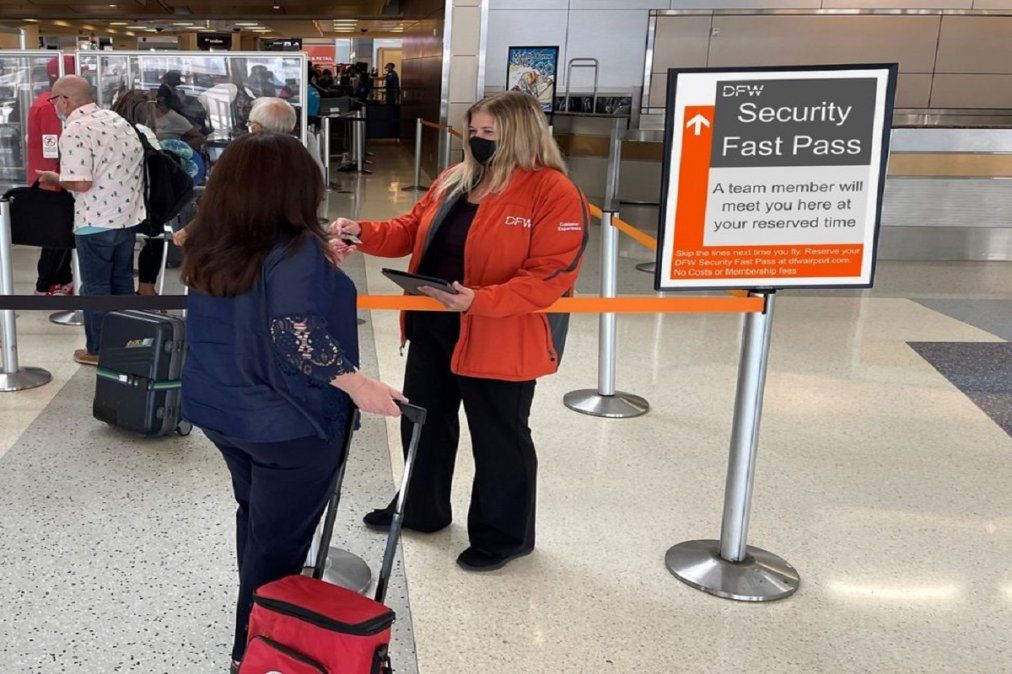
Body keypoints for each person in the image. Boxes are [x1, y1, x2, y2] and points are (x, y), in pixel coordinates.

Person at [331, 91, 589, 571]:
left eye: (489, 133)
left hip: (501, 333)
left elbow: (551, 275)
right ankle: (421, 509)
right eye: (473, 131)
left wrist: (480, 300)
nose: (477, 140)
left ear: (520, 133)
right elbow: (411, 229)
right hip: (434, 323)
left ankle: (504, 534)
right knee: (424, 422)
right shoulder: (456, 178)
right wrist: (360, 231)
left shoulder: (553, 192)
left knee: (499, 436)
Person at [178, 132, 406, 671]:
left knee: (257, 520)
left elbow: (257, 304)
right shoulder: (294, 250)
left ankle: (256, 622)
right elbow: (294, 332)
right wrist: (359, 384)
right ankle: (254, 652)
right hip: (289, 423)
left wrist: (318, 263)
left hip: (222, 409)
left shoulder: (213, 240)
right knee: (278, 548)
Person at [37, 76, 151, 366]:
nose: (54, 107)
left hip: (95, 221)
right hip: (127, 217)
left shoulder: (76, 129)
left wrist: (54, 178)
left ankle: (98, 350)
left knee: (96, 288)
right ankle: (125, 345)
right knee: (123, 284)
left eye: (54, 100)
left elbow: (81, 183)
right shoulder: (116, 120)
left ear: (65, 100)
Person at [172, 98, 296, 249]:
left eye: (249, 123)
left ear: (256, 128)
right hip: (290, 244)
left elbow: (222, 200)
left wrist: (190, 229)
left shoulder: (242, 154)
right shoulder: (301, 156)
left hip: (245, 244)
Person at [26, 56, 76, 297]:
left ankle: (63, 280)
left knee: (61, 237)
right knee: (56, 238)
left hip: (53, 179)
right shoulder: (49, 107)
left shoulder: (44, 103)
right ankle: (43, 285)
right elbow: (54, 145)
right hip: (52, 181)